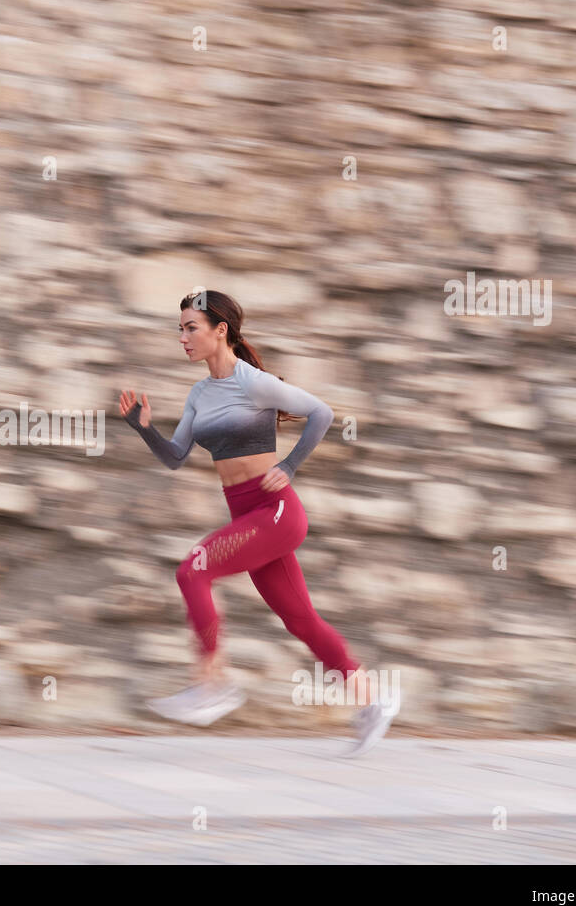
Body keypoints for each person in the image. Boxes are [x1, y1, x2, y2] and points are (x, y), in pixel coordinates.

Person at [119, 290, 399, 756]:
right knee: (301, 620)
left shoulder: (253, 383)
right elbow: (175, 457)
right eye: (180, 329)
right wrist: (143, 427)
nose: (183, 337)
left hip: (276, 513)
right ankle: (373, 699)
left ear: (219, 330)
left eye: (191, 328)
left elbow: (321, 413)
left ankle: (212, 684)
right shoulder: (199, 394)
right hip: (248, 515)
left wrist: (288, 467)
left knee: (193, 570)